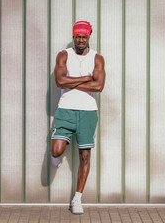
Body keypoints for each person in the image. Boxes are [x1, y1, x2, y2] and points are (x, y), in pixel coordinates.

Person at [51, 21, 105, 214]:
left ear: (89, 36)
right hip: (65, 109)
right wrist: (86, 78)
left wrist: (71, 82)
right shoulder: (63, 55)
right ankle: (55, 157)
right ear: (73, 37)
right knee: (57, 151)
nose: (80, 40)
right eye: (77, 37)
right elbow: (59, 81)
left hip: (88, 112)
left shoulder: (97, 58)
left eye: (84, 36)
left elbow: (99, 86)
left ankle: (77, 199)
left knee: (84, 156)